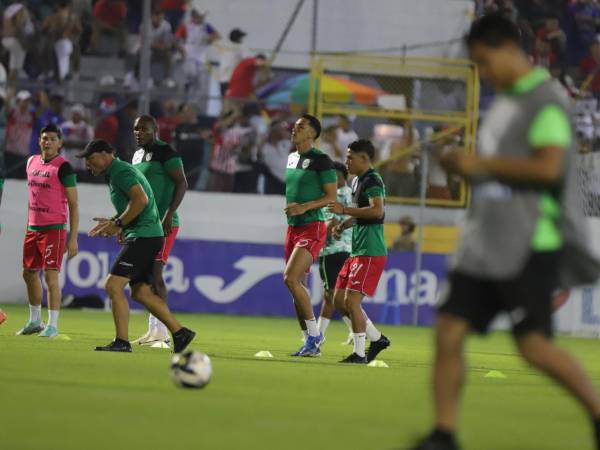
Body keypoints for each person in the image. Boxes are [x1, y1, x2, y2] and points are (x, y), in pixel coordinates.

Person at [409, 15, 600, 450]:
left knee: (533, 347)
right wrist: (463, 166)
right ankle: (443, 434)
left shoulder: (545, 101)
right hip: (486, 242)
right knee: (448, 331)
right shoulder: (507, 102)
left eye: (483, 62)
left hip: (531, 242)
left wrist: (479, 165)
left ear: (507, 50)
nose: (482, 74)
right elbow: (498, 173)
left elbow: (549, 168)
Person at [77, 139, 195, 353]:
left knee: (112, 285)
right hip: (146, 235)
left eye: (90, 159)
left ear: (106, 154)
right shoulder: (115, 173)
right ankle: (180, 333)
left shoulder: (120, 171)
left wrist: (119, 223)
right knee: (140, 292)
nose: (87, 164)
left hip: (145, 236)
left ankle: (122, 341)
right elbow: (135, 203)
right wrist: (118, 223)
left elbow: (140, 200)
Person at [328, 139, 390, 364]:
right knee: (338, 300)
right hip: (358, 249)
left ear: (364, 158)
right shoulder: (357, 181)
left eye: (350, 157)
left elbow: (376, 211)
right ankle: (377, 338)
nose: (346, 161)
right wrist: (343, 224)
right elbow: (363, 213)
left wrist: (343, 209)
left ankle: (359, 354)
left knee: (352, 302)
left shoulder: (373, 179)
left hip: (371, 250)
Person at [130, 115, 188, 347]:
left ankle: (163, 332)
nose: (138, 132)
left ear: (155, 130)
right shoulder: (136, 156)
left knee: (155, 275)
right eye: (136, 129)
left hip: (163, 223)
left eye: (143, 128)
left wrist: (168, 214)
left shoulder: (167, 152)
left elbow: (182, 183)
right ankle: (153, 330)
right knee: (145, 279)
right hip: (143, 224)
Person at [17, 124, 79, 338]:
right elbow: (31, 197)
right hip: (33, 227)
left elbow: (74, 204)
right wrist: (28, 224)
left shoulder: (64, 167)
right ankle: (35, 321)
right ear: (39, 141)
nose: (48, 142)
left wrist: (73, 238)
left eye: (53, 139)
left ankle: (52, 326)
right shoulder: (31, 162)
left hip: (54, 229)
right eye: (45, 138)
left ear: (60, 143)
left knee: (51, 277)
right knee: (29, 273)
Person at [284, 114, 337, 357]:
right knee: (297, 287)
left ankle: (315, 335)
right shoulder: (292, 158)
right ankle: (308, 342)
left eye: (300, 127)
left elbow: (331, 197)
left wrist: (304, 207)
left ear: (312, 134)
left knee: (291, 279)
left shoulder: (322, 160)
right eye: (294, 126)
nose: (294, 130)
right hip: (293, 227)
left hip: (312, 226)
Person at [316, 161, 354, 344]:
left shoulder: (337, 195)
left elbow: (330, 222)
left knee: (333, 294)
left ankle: (358, 330)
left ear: (341, 177)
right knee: (332, 295)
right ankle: (319, 334)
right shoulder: (349, 193)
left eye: (334, 176)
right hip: (346, 249)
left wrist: (316, 243)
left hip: (332, 250)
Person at [5, 90, 35, 179]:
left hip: (24, 154)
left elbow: (44, 106)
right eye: (24, 101)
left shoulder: (31, 115)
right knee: (8, 180)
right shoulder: (12, 113)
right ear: (18, 101)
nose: (26, 104)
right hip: (11, 152)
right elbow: (7, 104)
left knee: (21, 181)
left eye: (28, 101)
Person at [218, 28, 247, 97]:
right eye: (241, 38)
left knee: (226, 104)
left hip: (222, 80)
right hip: (233, 81)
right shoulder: (239, 47)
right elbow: (248, 60)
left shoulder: (225, 47)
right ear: (238, 39)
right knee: (234, 104)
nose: (242, 40)